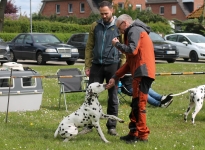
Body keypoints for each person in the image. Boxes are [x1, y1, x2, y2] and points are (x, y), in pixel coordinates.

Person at [106, 14, 155, 143]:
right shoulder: (136, 31)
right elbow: (129, 62)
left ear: (124, 23)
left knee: (139, 105)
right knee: (135, 104)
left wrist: (117, 45)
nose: (120, 31)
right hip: (141, 72)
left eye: (119, 28)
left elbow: (132, 51)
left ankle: (142, 135)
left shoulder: (134, 30)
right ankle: (133, 133)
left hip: (142, 72)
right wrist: (115, 77)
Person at [81, 1, 124, 136]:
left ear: (112, 11)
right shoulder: (95, 26)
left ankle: (111, 127)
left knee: (113, 96)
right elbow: (89, 46)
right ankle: (88, 125)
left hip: (113, 65)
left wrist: (122, 68)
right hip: (96, 66)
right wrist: (88, 65)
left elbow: (125, 48)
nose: (104, 16)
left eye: (106, 13)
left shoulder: (119, 27)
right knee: (90, 96)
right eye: (101, 14)